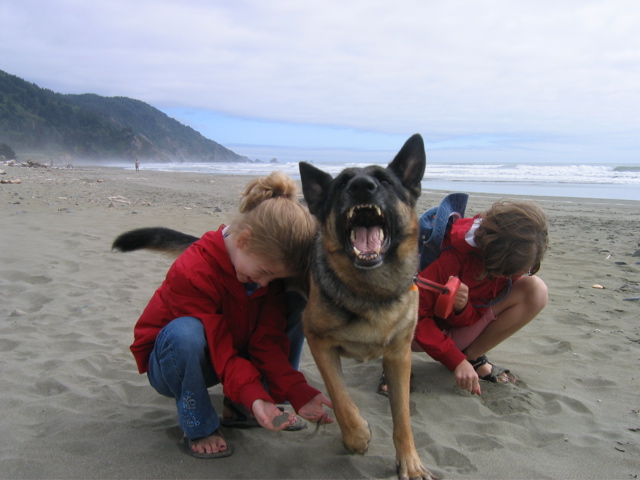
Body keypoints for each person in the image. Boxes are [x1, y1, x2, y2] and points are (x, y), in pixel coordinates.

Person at [131, 172, 333, 459]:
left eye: (273, 278)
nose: (264, 283)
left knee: (296, 303)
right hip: (172, 364)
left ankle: (242, 409)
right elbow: (218, 344)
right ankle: (197, 424)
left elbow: (266, 341)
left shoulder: (261, 272)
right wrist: (252, 393)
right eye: (264, 272)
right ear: (244, 240)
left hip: (226, 352)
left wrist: (296, 390)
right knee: (186, 332)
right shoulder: (193, 269)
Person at [379, 200, 549, 396]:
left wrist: (462, 307)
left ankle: (472, 357)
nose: (513, 277)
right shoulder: (451, 255)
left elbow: (476, 312)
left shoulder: (507, 261)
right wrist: (454, 360)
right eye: (507, 273)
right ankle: (395, 362)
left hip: (448, 323)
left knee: (536, 290)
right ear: (492, 256)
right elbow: (415, 318)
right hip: (411, 330)